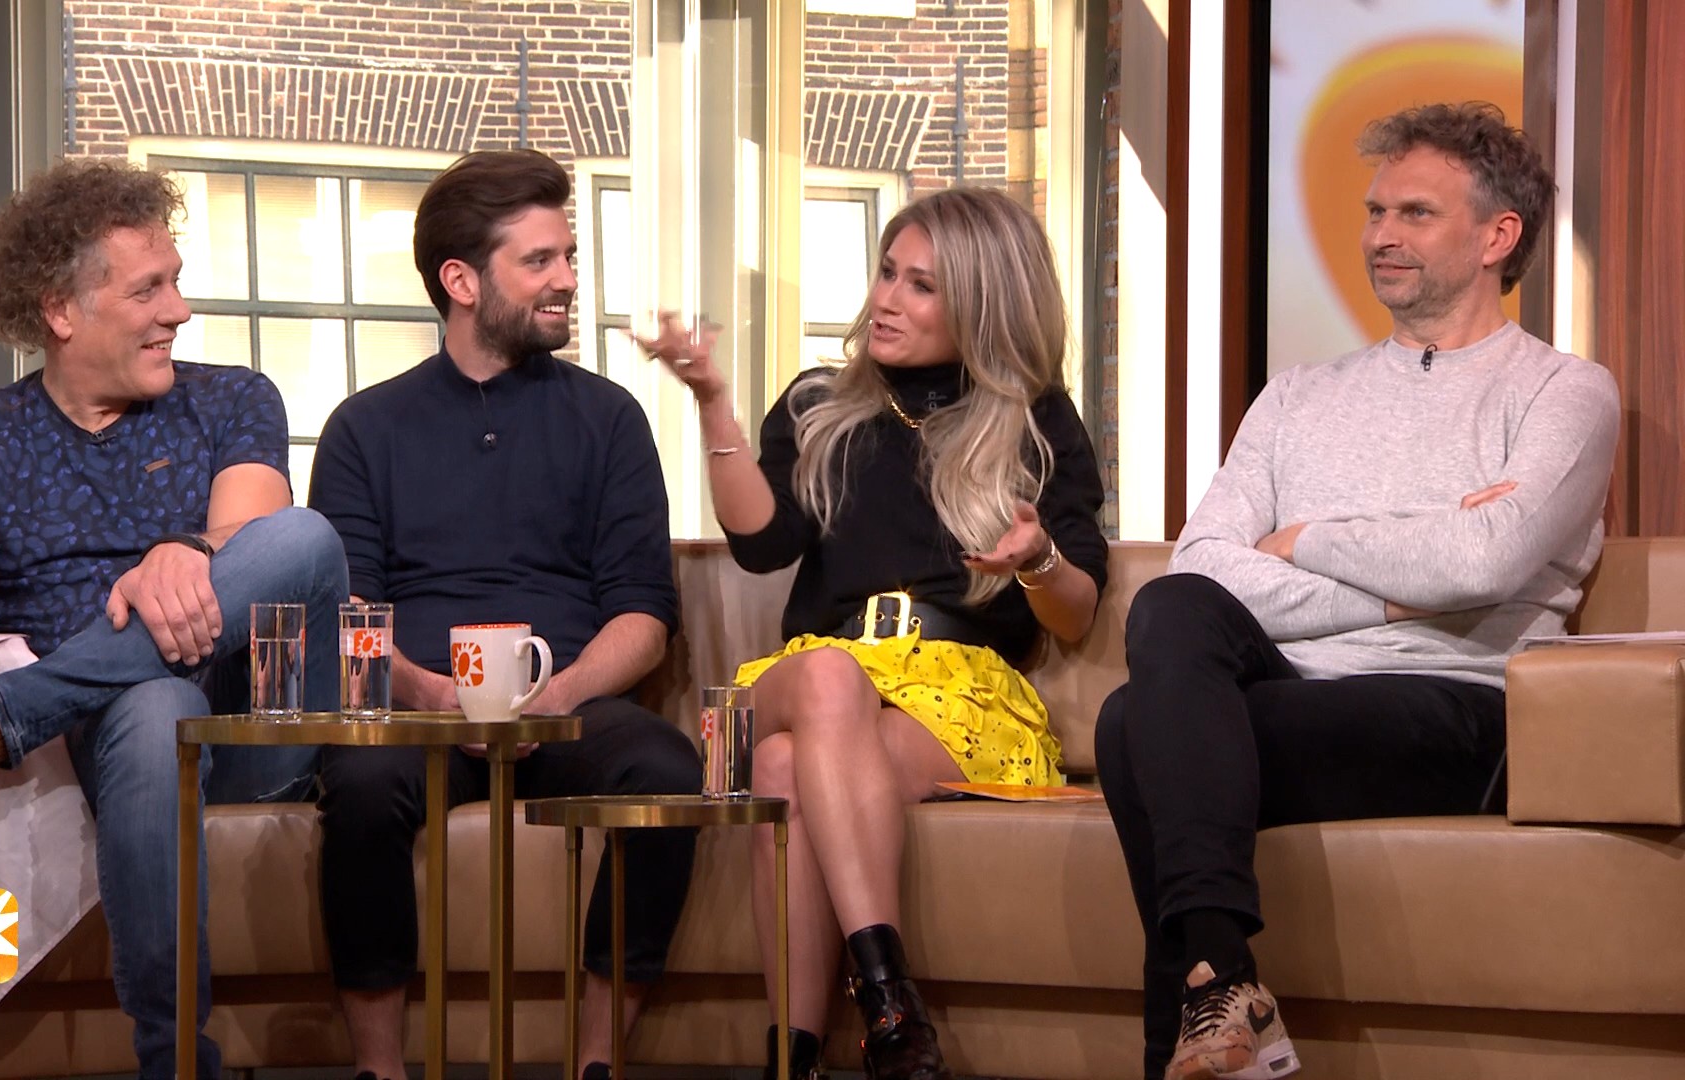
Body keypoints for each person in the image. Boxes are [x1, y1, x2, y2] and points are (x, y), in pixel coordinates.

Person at [1093, 102, 1620, 1080]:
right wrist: (1398, 585)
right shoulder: (1296, 396)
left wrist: (1307, 540)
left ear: (1498, 236)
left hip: (1458, 706)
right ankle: (1224, 992)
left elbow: (1483, 565)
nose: (1381, 234)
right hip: (1294, 690)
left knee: (1132, 729)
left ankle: (1201, 1017)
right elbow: (1203, 562)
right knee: (1171, 608)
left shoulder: (1566, 392)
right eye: (1377, 211)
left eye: (1416, 213)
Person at [0, 159, 350, 1080]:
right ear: (61, 309)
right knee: (155, 704)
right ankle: (176, 1062)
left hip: (255, 729)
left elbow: (254, 529)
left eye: (176, 282)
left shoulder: (234, 398)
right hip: (111, 739)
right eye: (148, 289)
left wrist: (190, 551)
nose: (180, 311)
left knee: (305, 535)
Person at [640, 186, 1108, 1080]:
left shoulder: (1038, 424)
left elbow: (1076, 611)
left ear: (983, 303)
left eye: (921, 286)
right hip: (814, 670)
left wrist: (1039, 557)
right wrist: (712, 403)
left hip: (957, 688)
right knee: (828, 681)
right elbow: (761, 545)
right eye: (887, 273)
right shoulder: (822, 402)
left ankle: (794, 1057)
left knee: (786, 771)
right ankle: (890, 1001)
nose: (887, 299)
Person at [306, 149, 701, 1080]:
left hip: (567, 705)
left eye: (569, 256)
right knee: (360, 783)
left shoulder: (609, 420)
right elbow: (350, 614)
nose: (567, 279)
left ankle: (597, 1061)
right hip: (422, 708)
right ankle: (378, 1069)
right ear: (462, 281)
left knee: (666, 767)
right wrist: (431, 695)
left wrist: (557, 695)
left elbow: (644, 614)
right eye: (540, 261)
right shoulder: (365, 428)